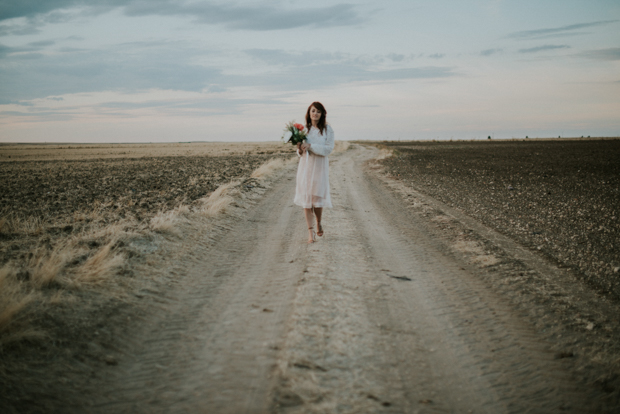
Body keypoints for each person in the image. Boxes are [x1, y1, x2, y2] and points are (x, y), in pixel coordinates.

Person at [294, 102, 335, 243]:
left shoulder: (327, 130)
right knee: (306, 199)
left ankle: (318, 221)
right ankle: (310, 232)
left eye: (318, 111)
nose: (315, 114)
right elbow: (299, 152)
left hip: (320, 166)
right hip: (306, 166)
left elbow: (328, 149)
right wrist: (300, 150)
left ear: (322, 114)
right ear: (309, 113)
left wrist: (311, 146)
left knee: (317, 198)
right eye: (313, 111)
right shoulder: (304, 130)